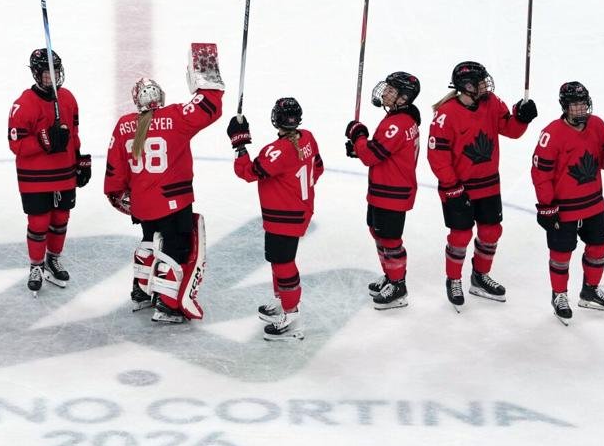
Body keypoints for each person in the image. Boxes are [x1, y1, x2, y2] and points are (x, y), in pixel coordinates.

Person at [104, 43, 225, 324]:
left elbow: (114, 170)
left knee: (149, 239)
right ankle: (168, 305)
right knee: (176, 246)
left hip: (142, 203)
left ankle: (141, 292)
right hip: (174, 199)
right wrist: (204, 64)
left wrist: (120, 195)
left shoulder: (123, 125)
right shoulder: (175, 117)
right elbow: (209, 105)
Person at [428, 61, 537, 310]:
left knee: (491, 232)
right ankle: (454, 279)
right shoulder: (446, 114)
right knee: (461, 235)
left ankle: (479, 276)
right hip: (458, 188)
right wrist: (452, 187)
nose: (485, 85)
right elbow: (437, 157)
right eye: (480, 82)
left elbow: (510, 129)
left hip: (488, 184)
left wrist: (522, 118)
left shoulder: (492, 102)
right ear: (466, 86)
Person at [531, 81, 604, 325]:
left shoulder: (597, 125)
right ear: (564, 107)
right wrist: (546, 206)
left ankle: (590, 290)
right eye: (575, 105)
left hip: (593, 202)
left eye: (583, 103)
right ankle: (559, 295)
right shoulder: (551, 134)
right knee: (561, 253)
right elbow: (540, 174)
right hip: (564, 207)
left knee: (599, 246)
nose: (580, 109)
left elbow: (603, 156)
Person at [229, 97, 324, 340]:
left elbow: (247, 172)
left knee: (283, 263)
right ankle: (282, 300)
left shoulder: (277, 150)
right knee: (277, 259)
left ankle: (291, 316)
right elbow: (318, 168)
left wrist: (239, 144)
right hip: (297, 210)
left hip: (284, 215)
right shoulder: (308, 138)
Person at [7, 48, 91, 295]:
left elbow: (73, 134)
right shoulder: (23, 105)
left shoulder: (68, 98)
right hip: (35, 178)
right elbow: (16, 145)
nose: (52, 77)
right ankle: (36, 265)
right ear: (36, 73)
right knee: (38, 222)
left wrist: (80, 160)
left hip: (64, 173)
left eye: (56, 71)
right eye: (47, 73)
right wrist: (44, 140)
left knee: (61, 219)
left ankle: (53, 259)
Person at [345, 71, 422, 309]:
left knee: (390, 239)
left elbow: (372, 156)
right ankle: (391, 275)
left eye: (391, 90)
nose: (385, 93)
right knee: (377, 232)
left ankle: (398, 286)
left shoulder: (397, 124)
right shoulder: (398, 118)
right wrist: (360, 148)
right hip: (384, 189)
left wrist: (359, 136)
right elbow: (382, 151)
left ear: (404, 98)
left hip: (392, 192)